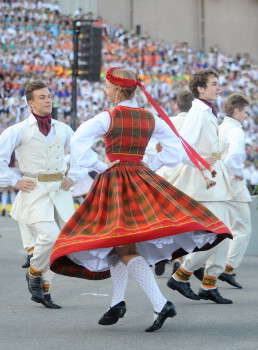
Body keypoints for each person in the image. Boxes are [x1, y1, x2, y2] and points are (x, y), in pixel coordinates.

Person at [49, 67, 232, 332]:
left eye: (108, 87)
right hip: (141, 180)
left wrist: (100, 165)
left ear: (119, 91)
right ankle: (117, 302)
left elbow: (78, 141)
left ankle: (160, 303)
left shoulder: (108, 117)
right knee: (118, 243)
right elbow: (175, 149)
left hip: (115, 182)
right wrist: (151, 164)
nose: (105, 90)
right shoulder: (150, 117)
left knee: (123, 246)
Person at [0, 80, 83, 309]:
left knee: (63, 244)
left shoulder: (63, 128)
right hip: (35, 190)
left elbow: (81, 151)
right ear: (30, 103)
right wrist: (13, 181)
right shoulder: (18, 130)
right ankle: (34, 274)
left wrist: (76, 174)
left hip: (60, 191)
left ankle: (45, 287)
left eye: (49, 96)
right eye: (41, 97)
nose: (48, 100)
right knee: (50, 237)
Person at [166, 68, 234, 304]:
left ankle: (188, 276)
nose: (219, 87)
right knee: (219, 233)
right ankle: (181, 275)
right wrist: (200, 161)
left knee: (219, 234)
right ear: (200, 88)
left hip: (212, 177)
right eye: (214, 84)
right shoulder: (198, 111)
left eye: (218, 83)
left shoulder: (207, 110)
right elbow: (183, 144)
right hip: (204, 179)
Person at [153, 89, 194, 276]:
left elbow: (156, 148)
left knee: (165, 217)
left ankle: (164, 254)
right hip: (188, 174)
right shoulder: (196, 121)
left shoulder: (166, 122)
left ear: (177, 105)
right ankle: (181, 258)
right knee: (187, 218)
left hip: (165, 172)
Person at [218, 93, 252, 288]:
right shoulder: (236, 130)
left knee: (227, 227)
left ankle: (216, 269)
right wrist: (237, 171)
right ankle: (228, 268)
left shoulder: (220, 127)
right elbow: (234, 156)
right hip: (232, 179)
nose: (246, 116)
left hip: (220, 181)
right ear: (237, 111)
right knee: (243, 229)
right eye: (245, 112)